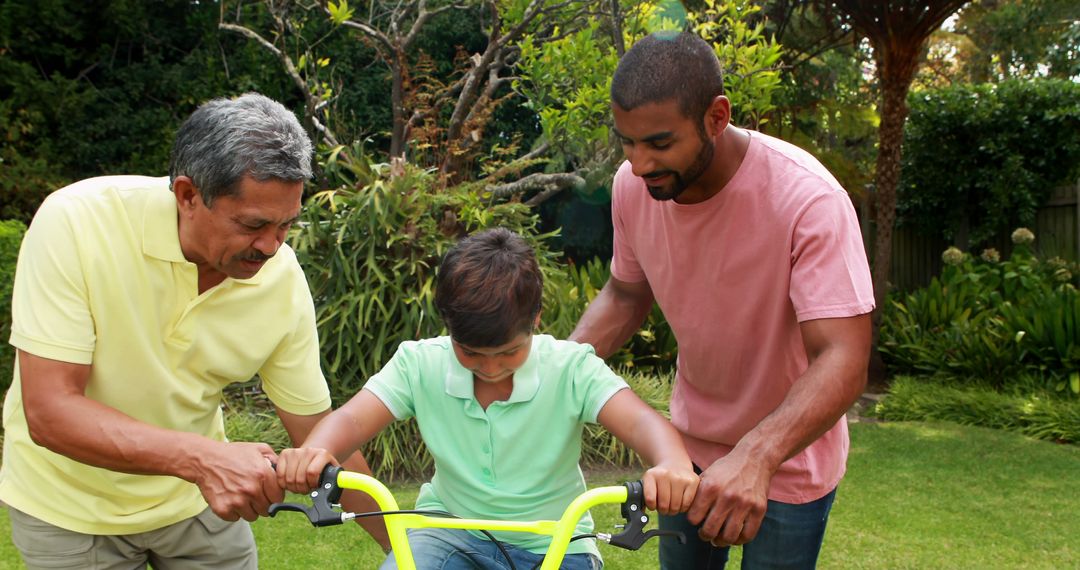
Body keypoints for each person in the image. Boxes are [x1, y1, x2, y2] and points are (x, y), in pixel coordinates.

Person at [1, 92, 387, 569]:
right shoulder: (78, 222)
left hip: (196, 502)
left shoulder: (281, 279)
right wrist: (207, 460)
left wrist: (408, 547)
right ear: (187, 195)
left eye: (286, 224)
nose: (270, 246)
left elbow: (316, 433)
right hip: (69, 509)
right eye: (253, 224)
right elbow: (49, 411)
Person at [569, 31, 875, 569]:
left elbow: (844, 358)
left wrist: (757, 456)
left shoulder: (808, 200)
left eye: (659, 144)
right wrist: (551, 370)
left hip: (788, 463)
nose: (639, 165)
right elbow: (625, 294)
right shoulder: (632, 187)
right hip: (687, 456)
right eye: (627, 142)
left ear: (716, 116)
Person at [275, 227, 699, 570]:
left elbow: (642, 422)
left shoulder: (571, 368)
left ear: (536, 319)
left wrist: (673, 463)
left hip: (558, 541)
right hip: (448, 529)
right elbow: (350, 421)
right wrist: (316, 449)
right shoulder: (418, 363)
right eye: (471, 354)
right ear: (448, 327)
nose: (491, 368)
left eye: (509, 353)